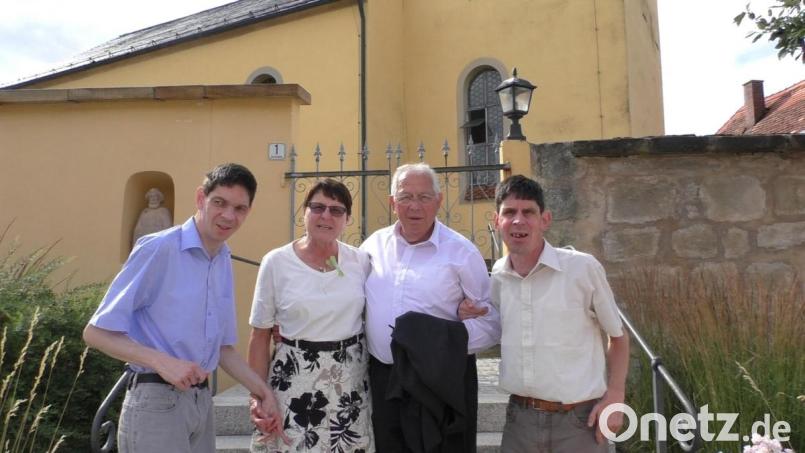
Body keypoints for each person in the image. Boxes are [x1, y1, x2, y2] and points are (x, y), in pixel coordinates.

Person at [83, 163, 284, 453]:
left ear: (248, 212)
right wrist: (162, 361)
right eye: (220, 202)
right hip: (155, 403)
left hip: (201, 404)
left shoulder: (223, 258)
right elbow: (96, 333)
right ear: (201, 198)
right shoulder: (158, 248)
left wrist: (263, 393)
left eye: (240, 208)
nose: (228, 215)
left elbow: (223, 350)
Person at [466, 174, 630, 452]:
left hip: (578, 422)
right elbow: (492, 326)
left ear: (545, 219)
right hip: (520, 422)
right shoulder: (497, 278)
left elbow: (618, 336)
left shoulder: (582, 268)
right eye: (509, 212)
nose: (518, 220)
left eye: (528, 212)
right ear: (497, 221)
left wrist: (615, 395)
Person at [360, 163, 501, 452]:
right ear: (392, 202)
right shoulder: (373, 247)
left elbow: (491, 323)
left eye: (424, 197)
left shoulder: (462, 252)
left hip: (439, 380)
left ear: (438, 201)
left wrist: (440, 344)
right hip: (383, 379)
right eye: (405, 197)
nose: (414, 206)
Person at [248, 178, 374, 452]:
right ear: (304, 212)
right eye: (317, 207)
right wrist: (257, 396)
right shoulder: (277, 262)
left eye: (336, 210)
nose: (326, 216)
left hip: (348, 379)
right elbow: (259, 335)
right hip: (294, 377)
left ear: (348, 218)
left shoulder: (360, 262)